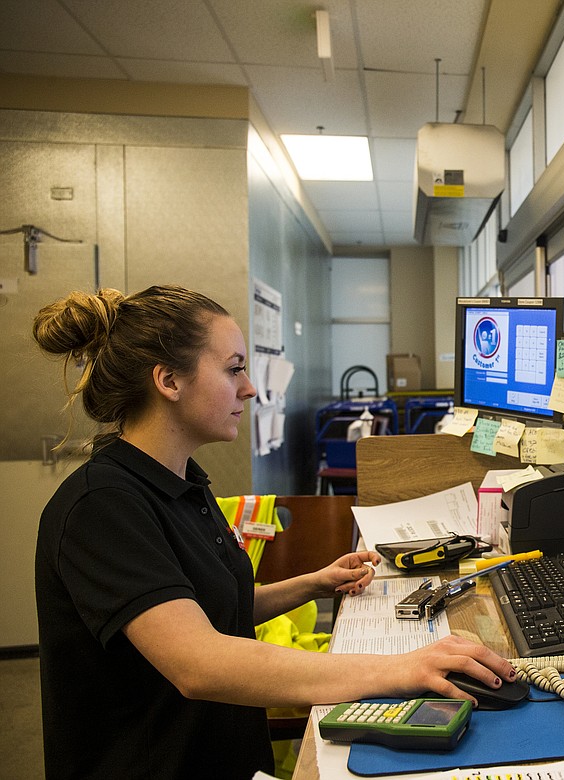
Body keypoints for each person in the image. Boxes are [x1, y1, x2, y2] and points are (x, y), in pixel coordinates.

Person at [33, 285, 517, 779]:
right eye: (233, 368)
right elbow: (199, 662)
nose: (249, 388)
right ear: (169, 380)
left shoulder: (183, 484)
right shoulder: (103, 506)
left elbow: (208, 604)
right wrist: (399, 669)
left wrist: (314, 582)